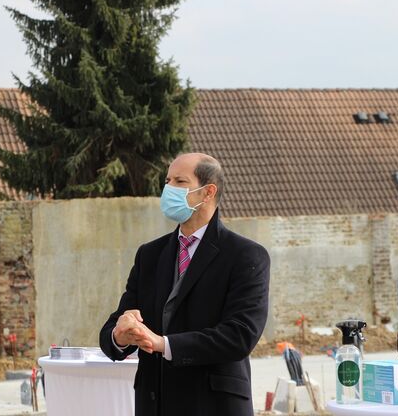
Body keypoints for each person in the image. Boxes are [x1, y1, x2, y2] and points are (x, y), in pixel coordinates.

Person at [99, 153, 270, 415]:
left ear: (207, 192)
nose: (169, 189)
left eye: (180, 181)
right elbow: (115, 324)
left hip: (213, 405)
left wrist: (163, 344)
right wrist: (119, 336)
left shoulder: (245, 255)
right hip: (155, 404)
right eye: (167, 180)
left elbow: (239, 335)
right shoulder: (150, 255)